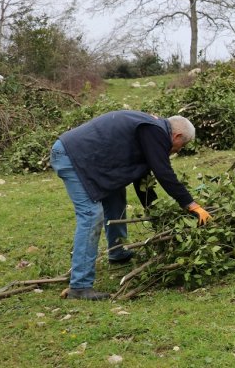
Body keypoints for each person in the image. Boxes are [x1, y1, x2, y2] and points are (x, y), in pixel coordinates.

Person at [50, 111, 212, 300]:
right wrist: (191, 205)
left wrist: (157, 216)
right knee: (91, 215)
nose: (178, 151)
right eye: (182, 146)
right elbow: (163, 172)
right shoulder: (155, 131)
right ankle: (79, 287)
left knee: (116, 198)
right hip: (72, 157)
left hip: (91, 161)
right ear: (176, 136)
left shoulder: (151, 131)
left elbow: (142, 183)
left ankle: (118, 252)